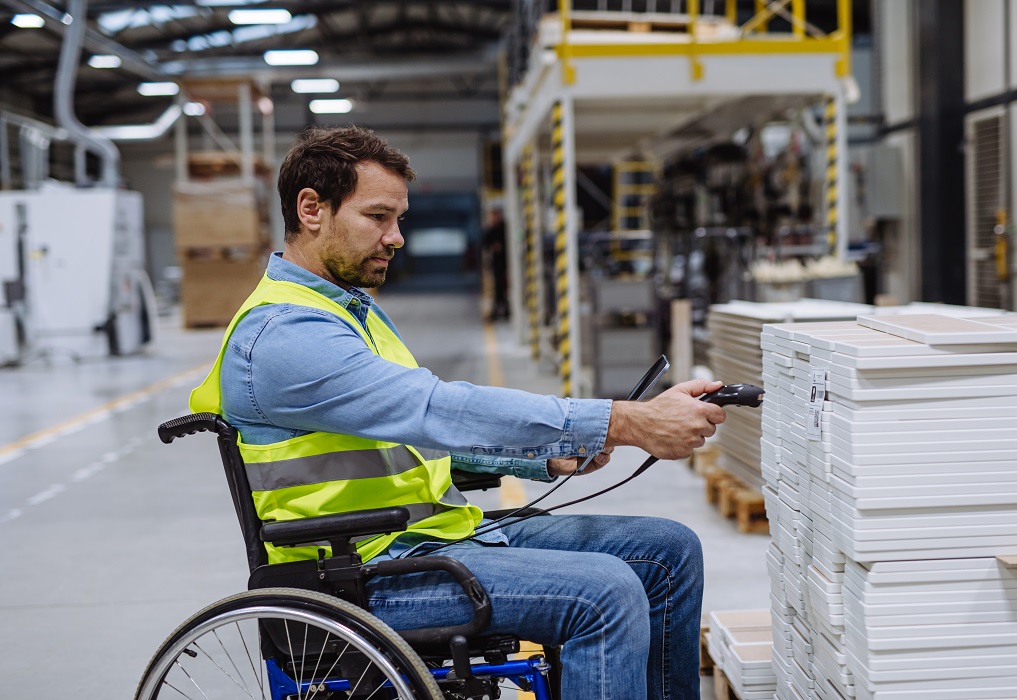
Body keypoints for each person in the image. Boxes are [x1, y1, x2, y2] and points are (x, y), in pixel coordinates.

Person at [189, 125, 727, 700]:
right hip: (357, 575)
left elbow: (408, 438)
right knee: (606, 592)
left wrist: (540, 459)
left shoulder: (343, 312)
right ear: (311, 208)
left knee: (669, 551)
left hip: (426, 543)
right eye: (378, 217)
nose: (396, 237)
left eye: (399, 218)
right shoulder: (284, 333)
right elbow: (434, 409)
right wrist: (624, 420)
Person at [482, 207, 510, 321]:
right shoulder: (491, 230)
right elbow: (485, 243)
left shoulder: (505, 229)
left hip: (506, 263)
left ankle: (505, 309)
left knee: (504, 288)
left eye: (496, 216)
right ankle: (497, 310)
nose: (495, 218)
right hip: (495, 264)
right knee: (495, 289)